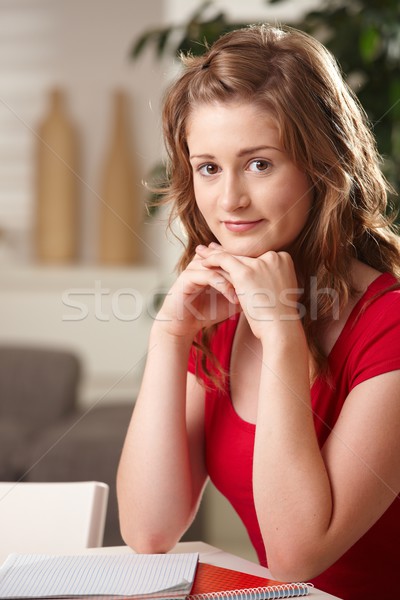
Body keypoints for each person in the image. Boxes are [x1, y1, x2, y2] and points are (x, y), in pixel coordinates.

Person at [117, 24, 400, 600]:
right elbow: (149, 529)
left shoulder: (388, 328)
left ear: (322, 168)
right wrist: (171, 336)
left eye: (260, 164)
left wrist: (282, 336)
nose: (229, 201)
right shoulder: (221, 314)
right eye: (208, 167)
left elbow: (296, 555)